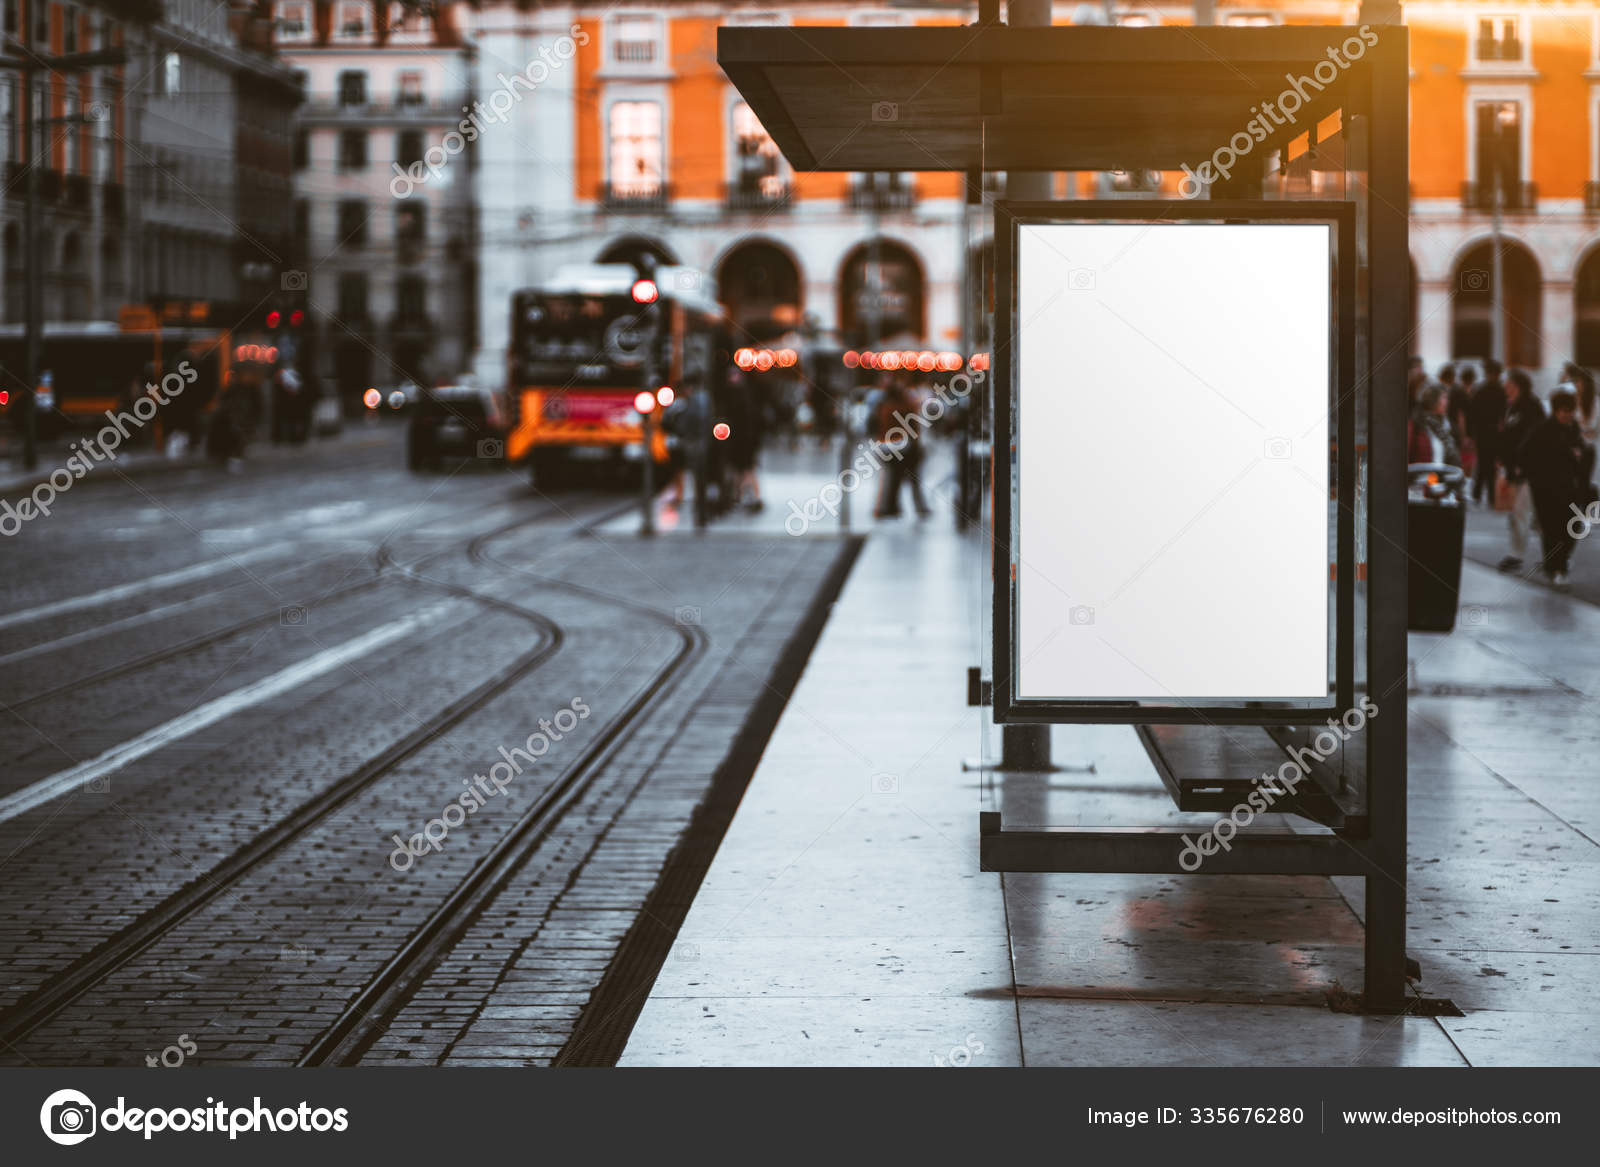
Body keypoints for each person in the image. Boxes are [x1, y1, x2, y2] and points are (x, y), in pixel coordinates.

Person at [1520, 387, 1588, 589]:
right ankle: (1558, 569)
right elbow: (1524, 453)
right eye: (1563, 411)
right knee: (1552, 530)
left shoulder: (1573, 429)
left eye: (1570, 411)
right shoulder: (1542, 430)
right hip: (1546, 489)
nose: (1567, 415)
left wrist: (1579, 456)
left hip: (1569, 488)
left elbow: (1581, 453)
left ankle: (1558, 563)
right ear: (1556, 410)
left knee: (1574, 527)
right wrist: (1536, 477)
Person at [1496, 368, 1545, 573]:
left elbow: (1534, 439)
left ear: (1518, 386)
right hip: (1515, 469)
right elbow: (1507, 435)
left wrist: (1520, 463)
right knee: (1528, 515)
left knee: (1525, 513)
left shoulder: (1531, 406)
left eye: (1509, 385)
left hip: (1530, 469)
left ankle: (1518, 556)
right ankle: (1549, 555)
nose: (1506, 388)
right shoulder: (1512, 406)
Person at [873, 376, 931, 519]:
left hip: (886, 446)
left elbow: (877, 426)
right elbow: (914, 428)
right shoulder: (906, 407)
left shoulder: (884, 406)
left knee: (891, 478)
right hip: (904, 447)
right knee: (911, 478)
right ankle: (917, 507)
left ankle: (888, 507)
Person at [1467, 359, 1506, 505]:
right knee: (1488, 463)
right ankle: (1488, 495)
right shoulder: (1499, 390)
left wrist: (1471, 434)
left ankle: (1479, 493)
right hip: (1493, 431)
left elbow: (1471, 413)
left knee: (1484, 462)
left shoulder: (1481, 389)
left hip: (1483, 431)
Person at [1408, 384, 1460, 466]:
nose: (1447, 402)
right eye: (1444, 397)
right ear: (1433, 400)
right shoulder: (1418, 424)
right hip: (1422, 475)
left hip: (1442, 475)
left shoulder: (1446, 424)